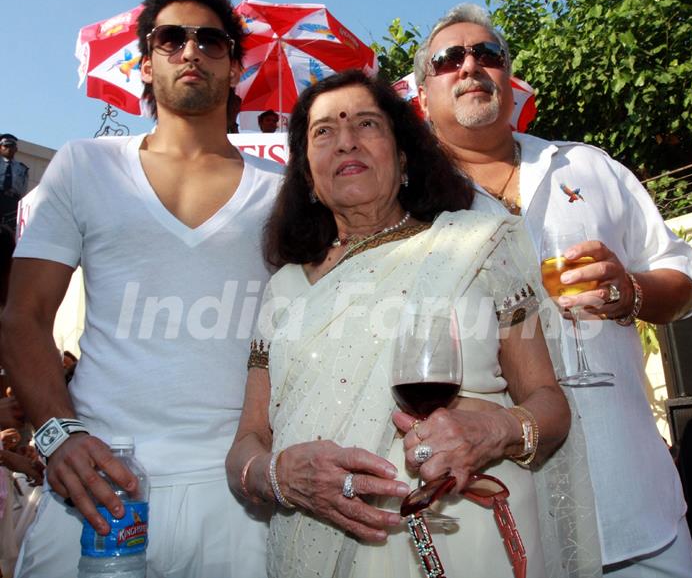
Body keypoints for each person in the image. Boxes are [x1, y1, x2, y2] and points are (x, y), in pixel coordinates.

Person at [225, 70, 591, 578]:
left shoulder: (477, 247)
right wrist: (277, 474)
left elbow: (550, 404)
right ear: (308, 176)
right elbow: (246, 443)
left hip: (468, 538)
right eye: (323, 131)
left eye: (368, 124)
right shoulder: (284, 289)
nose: (347, 139)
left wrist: (497, 428)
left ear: (402, 160)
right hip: (318, 547)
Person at [0, 0, 283, 578]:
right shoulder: (82, 166)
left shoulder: (284, 191)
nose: (191, 52)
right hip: (97, 482)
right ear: (145, 61)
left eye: (210, 41)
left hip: (238, 491)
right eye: (170, 39)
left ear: (236, 65)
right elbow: (23, 317)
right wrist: (56, 435)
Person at [414, 3, 692, 577]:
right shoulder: (413, 207)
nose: (470, 65)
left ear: (508, 77)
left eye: (487, 53)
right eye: (449, 59)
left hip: (639, 509)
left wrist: (631, 293)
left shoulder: (589, 168)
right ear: (424, 96)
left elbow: (684, 283)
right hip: (500, 523)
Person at [0, 134, 29, 230]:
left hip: (12, 202)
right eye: (6, 146)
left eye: (12, 146)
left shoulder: (22, 168)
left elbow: (23, 190)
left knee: (8, 231)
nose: (9, 149)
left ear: (16, 149)